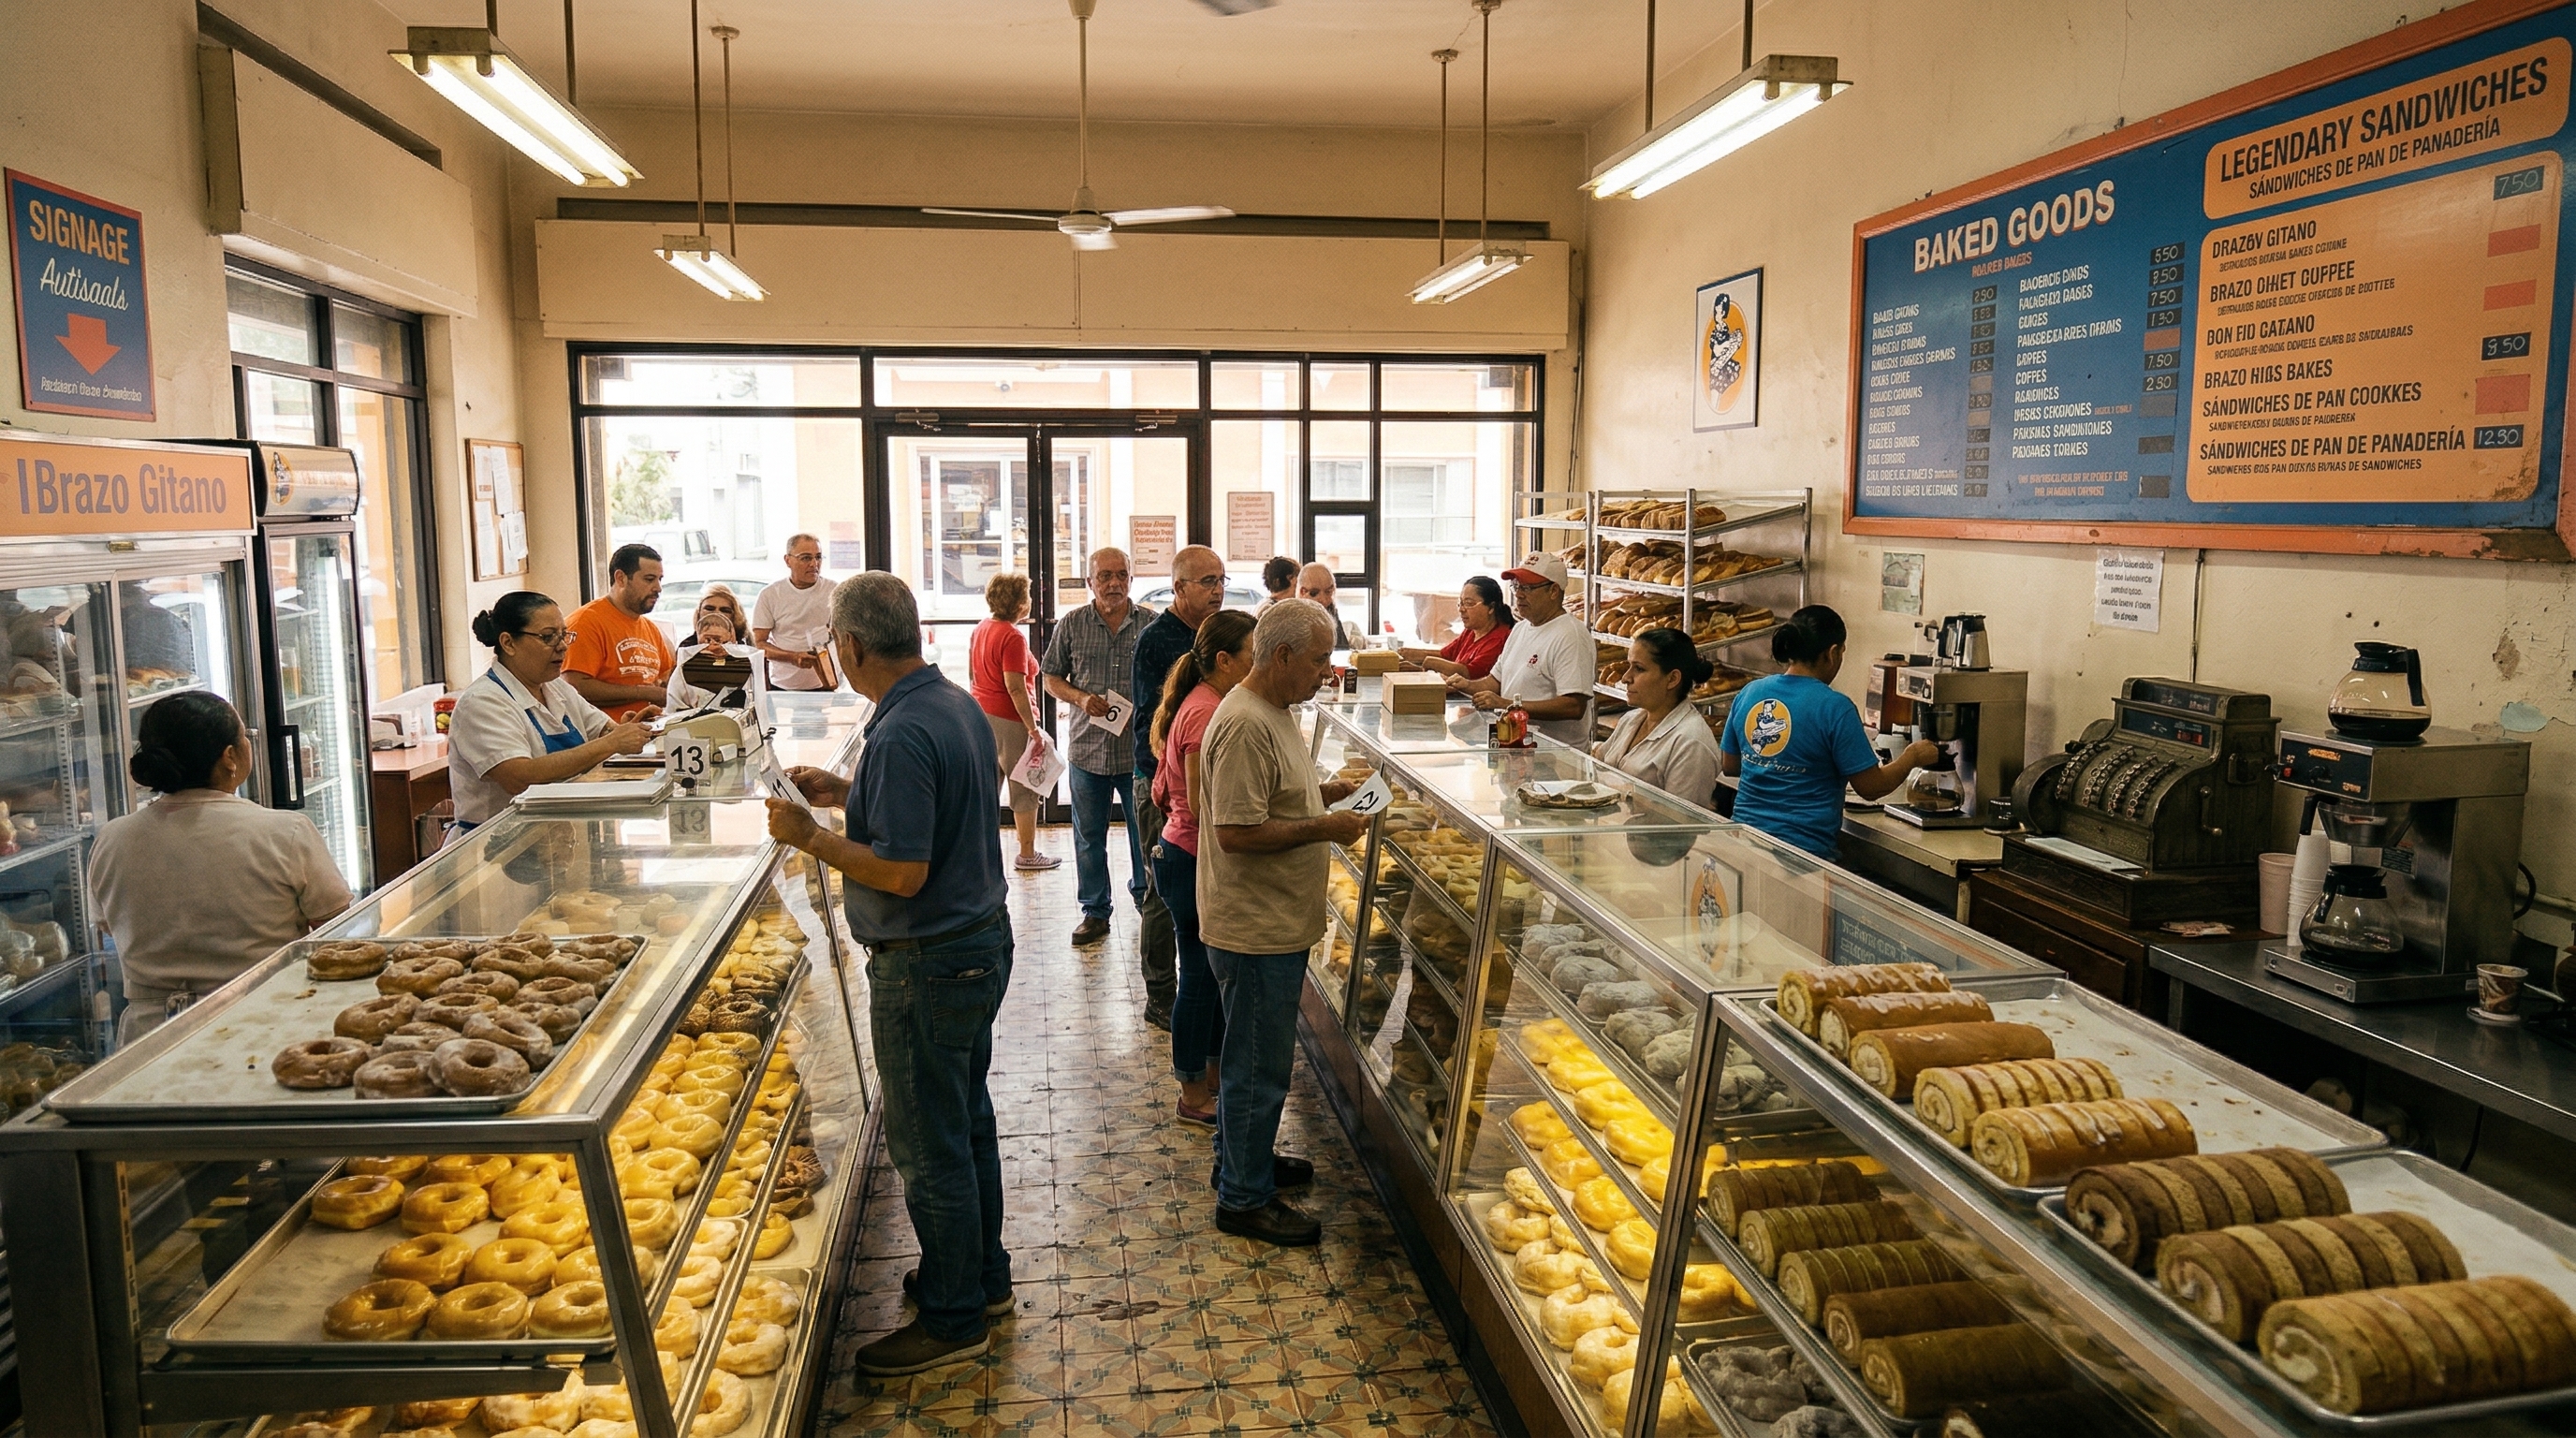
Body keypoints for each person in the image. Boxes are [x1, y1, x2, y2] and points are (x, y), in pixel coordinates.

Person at [767, 574, 1011, 1377]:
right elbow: (929, 810)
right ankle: (980, 1278)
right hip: (975, 942)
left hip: (927, 962)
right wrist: (847, 794)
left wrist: (810, 834)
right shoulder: (946, 705)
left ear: (853, 645)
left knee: (930, 1144)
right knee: (964, 1120)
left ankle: (951, 1320)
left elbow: (903, 873)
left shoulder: (903, 731)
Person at [1199, 601, 1370, 1246]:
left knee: (1255, 1058)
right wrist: (1324, 827)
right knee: (1256, 1066)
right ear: (1281, 657)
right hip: (1254, 928)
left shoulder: (1274, 713)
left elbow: (1270, 798)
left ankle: (1242, 1163)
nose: (1327, 672)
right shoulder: (1245, 724)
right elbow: (1237, 832)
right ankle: (1242, 1200)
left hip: (1273, 922)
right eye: (1320, 660)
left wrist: (1326, 794)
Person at [91, 692, 353, 1043]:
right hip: (263, 1022)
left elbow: (111, 926)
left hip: (152, 1038)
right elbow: (333, 930)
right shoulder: (284, 831)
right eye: (244, 737)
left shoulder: (112, 839)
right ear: (230, 756)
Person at [1720, 605, 1944, 860]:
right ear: (1833, 652)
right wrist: (1912, 757)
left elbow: (1730, 765)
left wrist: (1773, 766)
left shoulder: (1750, 692)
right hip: (1802, 858)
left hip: (1742, 845)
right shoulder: (1835, 707)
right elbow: (1871, 788)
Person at [1149, 607, 1254, 1125]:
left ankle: (1208, 1076)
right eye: (1251, 657)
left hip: (1183, 852)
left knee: (1207, 978)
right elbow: (1200, 797)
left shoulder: (1206, 700)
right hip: (1189, 857)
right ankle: (1193, 1092)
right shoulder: (1207, 711)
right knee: (1196, 977)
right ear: (1224, 660)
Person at [446, 593, 653, 832]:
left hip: (556, 833)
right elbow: (519, 776)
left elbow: (601, 731)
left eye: (563, 634)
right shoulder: (482, 702)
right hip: (496, 844)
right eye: (548, 637)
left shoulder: (555, 686)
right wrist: (611, 743)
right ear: (508, 643)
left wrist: (626, 729)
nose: (563, 646)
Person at [1127, 545, 1226, 1029]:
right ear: (1179, 587)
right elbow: (1151, 723)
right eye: (1207, 582)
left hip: (1204, 787)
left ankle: (1199, 987)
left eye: (1221, 580)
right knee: (1160, 894)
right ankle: (1160, 993)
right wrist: (1169, 788)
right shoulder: (1157, 640)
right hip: (1164, 787)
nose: (1217, 590)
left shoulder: (1213, 635)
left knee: (1196, 894)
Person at [1040, 548, 1155, 949]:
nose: (1114, 584)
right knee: (1089, 838)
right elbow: (1049, 677)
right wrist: (1080, 698)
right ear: (1090, 582)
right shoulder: (1072, 624)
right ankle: (1095, 912)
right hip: (1088, 752)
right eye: (1105, 576)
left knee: (1144, 834)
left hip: (1137, 753)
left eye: (1121, 575)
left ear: (1130, 580)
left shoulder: (1149, 624)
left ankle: (1148, 903)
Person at [968, 572, 1059, 873]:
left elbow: (974, 676)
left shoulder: (982, 628)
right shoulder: (1012, 636)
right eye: (1028, 596)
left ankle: (979, 853)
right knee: (1023, 790)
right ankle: (1027, 854)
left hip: (982, 717)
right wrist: (1032, 728)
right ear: (1020, 603)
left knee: (987, 788)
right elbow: (1016, 687)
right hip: (1010, 720)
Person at [1459, 552, 1596, 745]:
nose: (1519, 594)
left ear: (1554, 591)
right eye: (1516, 586)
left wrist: (1507, 705)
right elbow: (1495, 682)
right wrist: (1463, 685)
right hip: (1517, 746)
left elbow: (1573, 706)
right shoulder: (1521, 628)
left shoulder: (1571, 636)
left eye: (1528, 588)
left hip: (1555, 757)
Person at [1597, 627, 1724, 809]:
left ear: (1672, 679)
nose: (1626, 678)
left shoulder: (1691, 743)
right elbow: (1600, 765)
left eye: (1639, 669)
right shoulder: (1631, 719)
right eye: (1629, 666)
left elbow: (1680, 821)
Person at [563, 543, 678, 722]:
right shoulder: (586, 622)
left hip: (651, 732)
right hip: (606, 736)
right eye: (649, 579)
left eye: (659, 580)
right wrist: (643, 693)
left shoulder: (651, 629)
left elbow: (667, 680)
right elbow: (575, 686)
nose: (658, 588)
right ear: (621, 578)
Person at [752, 534, 835, 692]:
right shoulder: (770, 595)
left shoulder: (834, 591)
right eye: (805, 558)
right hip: (782, 685)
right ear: (788, 560)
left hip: (825, 684)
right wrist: (793, 657)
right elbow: (759, 643)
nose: (814, 564)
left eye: (818, 557)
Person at [1400, 575, 1515, 687]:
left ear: (1491, 608)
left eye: (1469, 604)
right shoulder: (1471, 630)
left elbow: (1468, 673)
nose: (1461, 609)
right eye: (1460, 603)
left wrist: (1428, 662)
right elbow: (1447, 655)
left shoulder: (1500, 640)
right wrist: (1416, 664)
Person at [665, 605, 763, 712]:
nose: (713, 645)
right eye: (707, 640)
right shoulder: (684, 668)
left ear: (732, 641)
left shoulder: (745, 667)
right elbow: (674, 707)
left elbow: (754, 704)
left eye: (718, 640)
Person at [1295, 563, 1368, 650]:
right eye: (1314, 593)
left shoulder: (1330, 610)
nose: (1323, 600)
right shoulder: (1293, 619)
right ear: (1302, 592)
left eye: (1328, 592)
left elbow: (1341, 649)